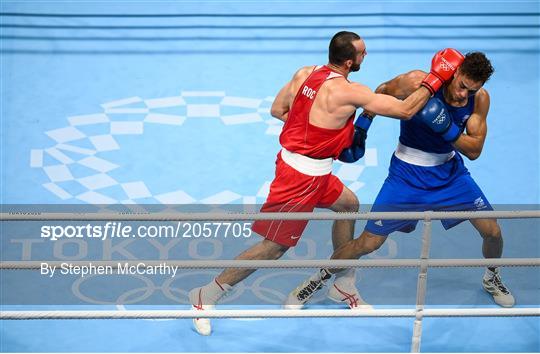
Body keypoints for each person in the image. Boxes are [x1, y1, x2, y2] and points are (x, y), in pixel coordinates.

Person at [188, 31, 463, 335]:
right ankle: (205, 296)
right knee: (274, 247)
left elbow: (278, 110)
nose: (365, 56)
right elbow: (405, 109)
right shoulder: (350, 92)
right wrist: (436, 78)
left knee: (348, 205)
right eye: (362, 53)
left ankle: (343, 284)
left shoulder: (305, 73)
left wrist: (317, 131)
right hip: (299, 179)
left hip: (311, 169)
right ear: (349, 61)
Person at [286, 51, 515, 309]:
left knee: (492, 232)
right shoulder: (418, 82)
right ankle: (319, 278)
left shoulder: (480, 100)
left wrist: (446, 128)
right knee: (368, 242)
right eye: (462, 86)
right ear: (455, 73)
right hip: (406, 176)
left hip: (450, 175)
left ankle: (492, 276)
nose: (464, 94)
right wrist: (363, 125)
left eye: (471, 91)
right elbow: (383, 89)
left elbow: (474, 150)